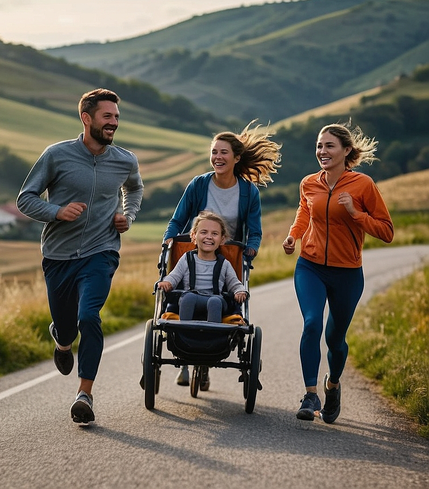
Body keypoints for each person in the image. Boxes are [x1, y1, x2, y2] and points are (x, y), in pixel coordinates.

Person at [16, 88, 144, 424]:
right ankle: (62, 340)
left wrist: (127, 217)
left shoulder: (125, 160)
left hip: (101, 251)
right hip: (58, 255)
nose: (114, 122)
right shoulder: (56, 155)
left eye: (116, 117)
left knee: (89, 316)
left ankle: (84, 393)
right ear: (87, 118)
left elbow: (135, 188)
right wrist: (57, 211)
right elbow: (25, 199)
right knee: (68, 325)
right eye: (107, 116)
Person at [282, 121, 394, 423]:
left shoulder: (363, 186)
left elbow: (386, 231)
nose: (322, 151)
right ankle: (310, 394)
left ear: (346, 151)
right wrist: (294, 236)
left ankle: (332, 386)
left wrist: (357, 214)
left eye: (329, 146)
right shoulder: (309, 183)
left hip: (347, 273)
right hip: (310, 266)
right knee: (311, 325)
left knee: (335, 339)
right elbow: (304, 213)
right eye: (319, 145)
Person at [164, 120, 282, 387]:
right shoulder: (198, 184)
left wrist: (251, 249)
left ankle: (206, 359)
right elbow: (178, 219)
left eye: (223, 152)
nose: (217, 157)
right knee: (188, 297)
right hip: (198, 249)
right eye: (214, 152)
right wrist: (168, 242)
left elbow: (255, 230)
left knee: (218, 302)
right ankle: (185, 358)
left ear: (236, 158)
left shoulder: (248, 192)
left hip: (228, 254)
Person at [158, 211, 248, 323]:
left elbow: (234, 283)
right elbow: (174, 276)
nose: (209, 237)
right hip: (191, 297)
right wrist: (167, 282)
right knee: (188, 298)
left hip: (216, 300)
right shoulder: (187, 258)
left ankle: (213, 334)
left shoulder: (224, 263)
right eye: (204, 232)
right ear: (193, 236)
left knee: (214, 301)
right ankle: (184, 332)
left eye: (214, 234)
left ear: (222, 239)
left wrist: (239, 291)